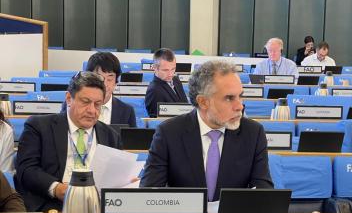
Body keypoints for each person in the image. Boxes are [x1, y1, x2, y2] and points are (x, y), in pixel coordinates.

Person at [140, 60, 274, 200]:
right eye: (229, 98)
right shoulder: (169, 133)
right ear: (203, 102)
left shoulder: (253, 133)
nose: (239, 106)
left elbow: (263, 193)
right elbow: (149, 194)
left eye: (240, 96)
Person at [16, 72, 121, 212]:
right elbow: (26, 170)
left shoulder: (111, 136)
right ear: (69, 99)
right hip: (52, 206)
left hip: (97, 208)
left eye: (97, 104)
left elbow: (115, 175)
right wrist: (57, 189)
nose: (92, 110)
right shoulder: (39, 127)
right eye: (85, 102)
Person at [62, 52, 137, 127]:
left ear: (115, 82)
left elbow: (130, 138)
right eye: (99, 77)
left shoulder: (127, 111)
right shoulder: (71, 103)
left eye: (110, 78)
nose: (104, 84)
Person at [144, 48, 188, 117]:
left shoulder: (176, 80)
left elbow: (185, 105)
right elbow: (156, 122)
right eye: (165, 70)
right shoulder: (153, 91)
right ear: (155, 68)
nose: (171, 74)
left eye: (173, 69)